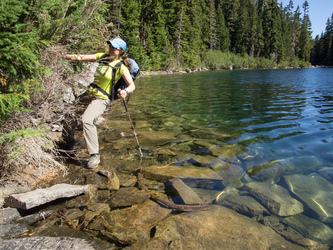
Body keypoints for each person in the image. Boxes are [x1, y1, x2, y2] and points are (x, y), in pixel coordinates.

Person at [63, 38, 135, 168]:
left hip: (102, 99)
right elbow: (82, 57)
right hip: (90, 93)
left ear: (121, 51)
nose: (111, 48)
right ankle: (67, 141)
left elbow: (132, 85)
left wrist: (125, 91)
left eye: (115, 47)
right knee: (69, 113)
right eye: (111, 45)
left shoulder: (121, 67)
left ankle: (94, 155)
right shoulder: (102, 57)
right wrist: (64, 56)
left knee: (86, 120)